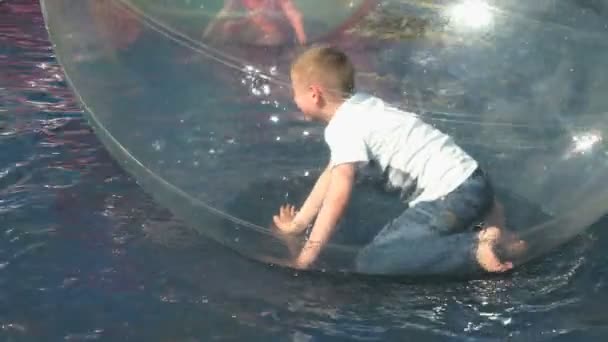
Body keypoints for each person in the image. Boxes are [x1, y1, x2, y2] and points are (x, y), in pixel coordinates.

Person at [271, 45, 525, 274]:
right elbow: (331, 173)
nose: (294, 99)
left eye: (295, 92)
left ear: (314, 94)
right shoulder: (365, 105)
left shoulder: (342, 128)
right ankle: (502, 240)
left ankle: (472, 248)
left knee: (373, 260)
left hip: (449, 196)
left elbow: (337, 196)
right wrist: (299, 224)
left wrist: (306, 257)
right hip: (475, 181)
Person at [203, 0, 307, 46]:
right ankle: (218, 47)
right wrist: (207, 34)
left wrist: (303, 44)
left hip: (275, 32)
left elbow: (295, 17)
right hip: (254, 25)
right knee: (228, 26)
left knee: (273, 39)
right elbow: (225, 13)